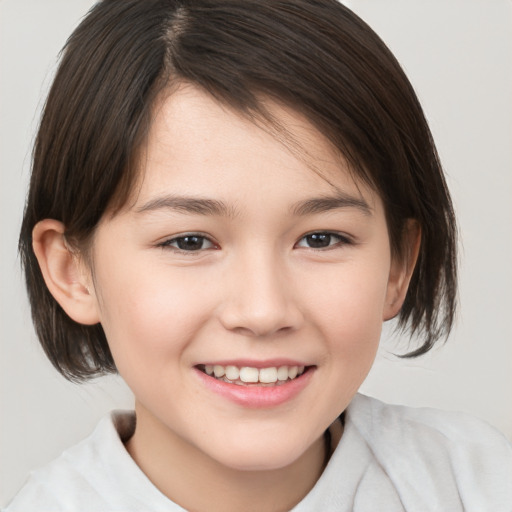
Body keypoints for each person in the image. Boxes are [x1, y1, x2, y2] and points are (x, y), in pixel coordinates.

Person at [5, 0, 511, 510]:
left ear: (398, 264)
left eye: (321, 238)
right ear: (74, 272)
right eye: (189, 241)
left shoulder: (477, 486)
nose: (263, 311)